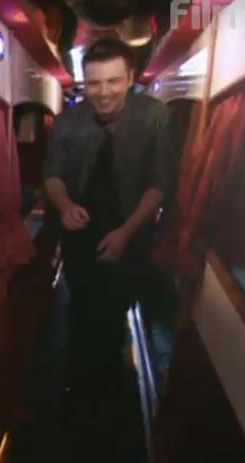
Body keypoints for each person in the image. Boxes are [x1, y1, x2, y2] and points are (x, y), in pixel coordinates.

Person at [42, 38, 172, 389]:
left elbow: (158, 184)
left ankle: (110, 378)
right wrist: (65, 206)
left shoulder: (155, 116)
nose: (103, 93)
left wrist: (125, 233)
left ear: (130, 78)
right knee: (81, 306)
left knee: (116, 307)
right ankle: (76, 382)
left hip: (131, 228)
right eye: (94, 83)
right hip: (80, 230)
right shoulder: (67, 122)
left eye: (113, 81)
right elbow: (52, 176)